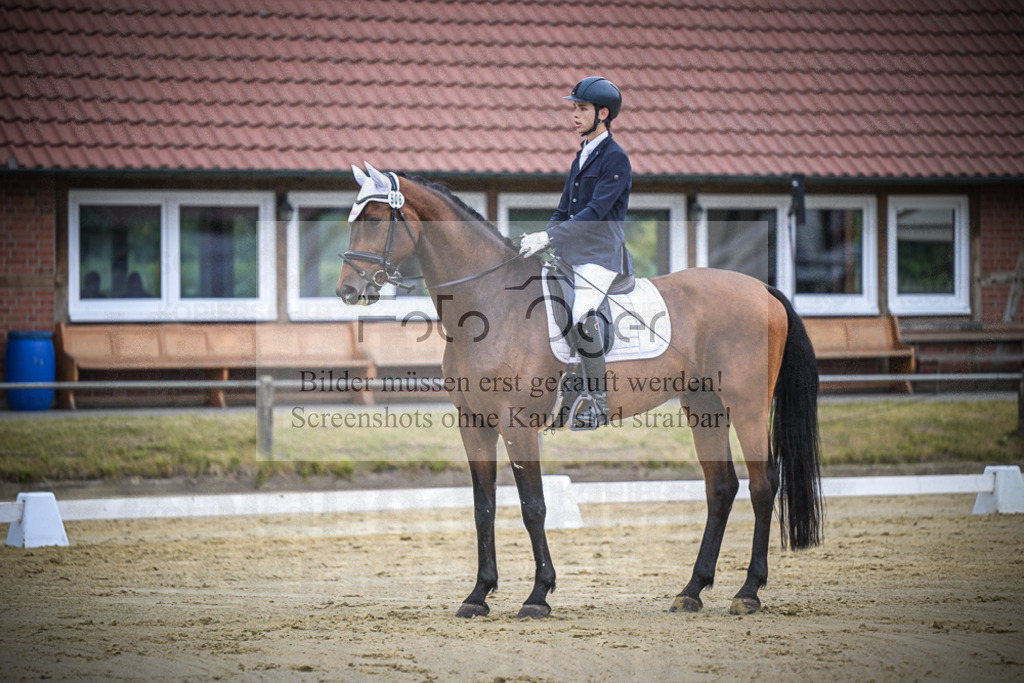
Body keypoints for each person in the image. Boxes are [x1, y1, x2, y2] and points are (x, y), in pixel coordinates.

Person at [519, 76, 634, 429]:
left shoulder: (616, 159)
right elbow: (564, 211)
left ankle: (598, 402)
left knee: (581, 314)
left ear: (603, 113)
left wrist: (550, 237)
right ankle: (565, 391)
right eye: (574, 108)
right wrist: (541, 235)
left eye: (581, 108)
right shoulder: (581, 155)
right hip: (572, 253)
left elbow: (593, 215)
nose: (574, 114)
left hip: (600, 255)